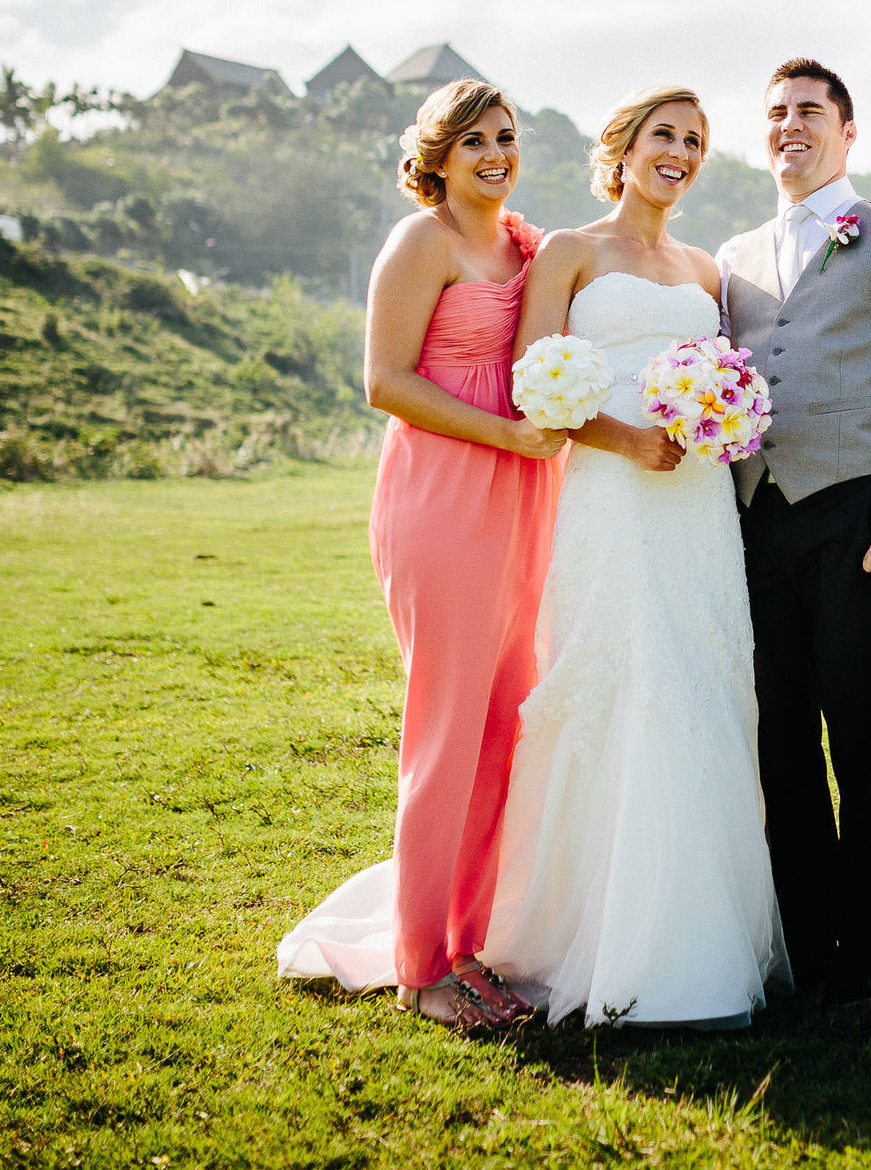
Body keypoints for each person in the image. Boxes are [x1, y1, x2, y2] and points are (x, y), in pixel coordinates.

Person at [481, 85, 787, 1029]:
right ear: (623, 147)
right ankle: (593, 931)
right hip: (612, 496)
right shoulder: (570, 252)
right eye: (667, 135)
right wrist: (622, 440)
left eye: (695, 141)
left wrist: (717, 420)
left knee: (701, 682)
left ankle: (702, 941)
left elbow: (729, 380)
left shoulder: (705, 268)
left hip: (696, 507)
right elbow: (536, 380)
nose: (682, 152)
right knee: (623, 678)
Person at [275, 79, 568, 1032]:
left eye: (507, 136)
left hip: (524, 498)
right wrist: (504, 432)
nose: (495, 152)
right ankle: (420, 968)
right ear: (436, 157)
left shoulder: (524, 244)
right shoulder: (423, 242)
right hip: (442, 500)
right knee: (444, 732)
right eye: (474, 139)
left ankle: (466, 944)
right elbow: (383, 380)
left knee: (502, 729)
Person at [715, 59, 871, 1009]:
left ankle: (868, 945)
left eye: (810, 112)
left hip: (859, 512)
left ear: (849, 132)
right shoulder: (733, 256)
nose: (791, 125)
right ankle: (804, 936)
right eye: (775, 110)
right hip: (756, 521)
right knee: (779, 737)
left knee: (865, 732)